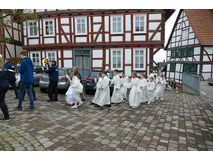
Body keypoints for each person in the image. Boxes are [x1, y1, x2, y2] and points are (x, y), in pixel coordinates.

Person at [0, 56, 11, 121]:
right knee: (1, 100)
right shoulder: (5, 67)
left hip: (1, 85)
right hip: (6, 85)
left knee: (2, 101)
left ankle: (7, 117)